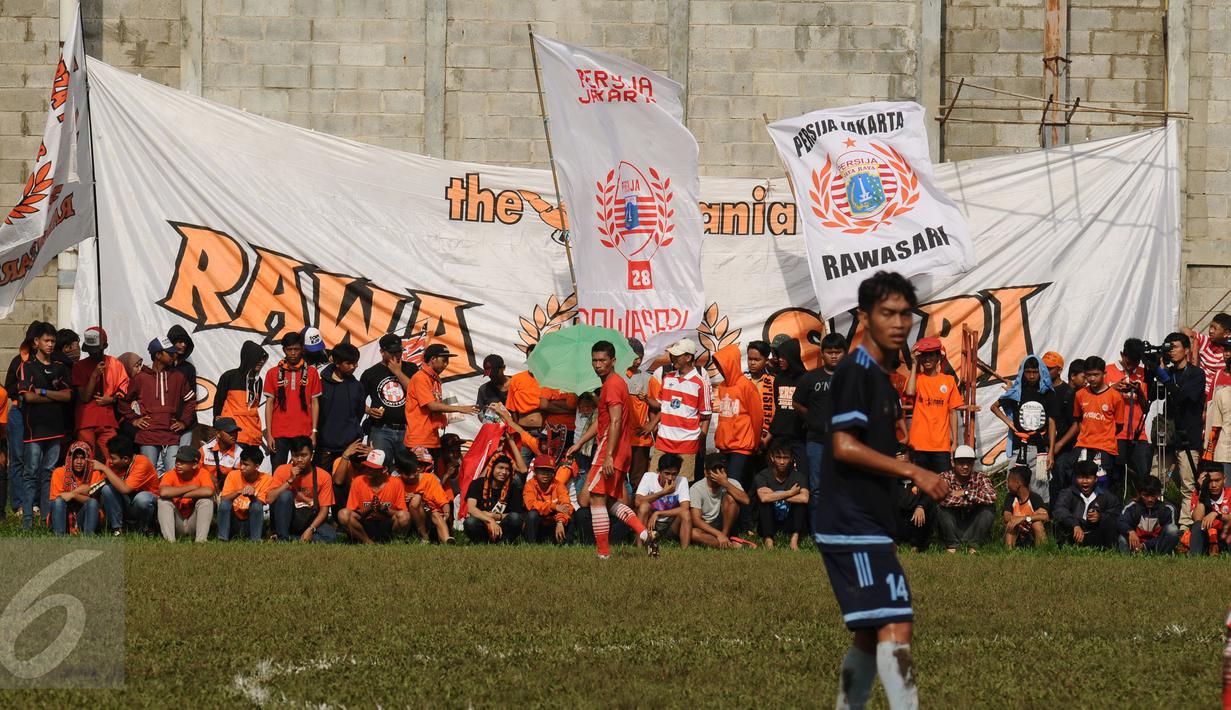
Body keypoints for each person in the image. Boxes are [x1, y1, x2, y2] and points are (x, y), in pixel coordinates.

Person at [818, 271, 950, 710]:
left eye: (905, 314)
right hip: (849, 521)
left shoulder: (880, 376)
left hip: (868, 521)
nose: (898, 323)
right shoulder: (855, 372)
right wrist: (913, 471)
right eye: (887, 313)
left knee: (869, 633)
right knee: (896, 624)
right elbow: (843, 445)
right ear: (863, 317)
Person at [567, 340, 657, 559]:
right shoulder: (612, 383)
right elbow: (603, 420)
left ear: (613, 361)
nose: (598, 365)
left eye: (602, 360)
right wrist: (579, 443)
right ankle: (645, 534)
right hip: (616, 450)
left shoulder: (613, 384)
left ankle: (603, 554)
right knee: (606, 501)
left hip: (610, 449)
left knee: (593, 499)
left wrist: (608, 456)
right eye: (594, 360)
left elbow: (615, 421)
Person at [15, 322, 73, 529]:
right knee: (30, 473)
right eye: (47, 340)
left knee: (49, 473)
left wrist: (43, 392)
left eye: (53, 341)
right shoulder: (27, 367)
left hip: (56, 429)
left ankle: (46, 519)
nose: (50, 344)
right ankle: (27, 520)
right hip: (35, 429)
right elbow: (28, 397)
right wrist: (53, 396)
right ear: (36, 342)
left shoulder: (60, 367)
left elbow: (68, 396)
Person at [794, 333, 846, 536]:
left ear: (845, 353)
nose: (834, 356)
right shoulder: (811, 377)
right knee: (817, 488)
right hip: (816, 441)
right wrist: (812, 419)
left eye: (838, 352)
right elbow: (797, 402)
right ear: (822, 354)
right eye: (829, 352)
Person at [124, 337, 194, 476]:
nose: (174, 355)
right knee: (148, 475)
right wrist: (134, 419)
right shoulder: (141, 378)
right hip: (148, 435)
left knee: (173, 475)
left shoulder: (178, 377)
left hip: (171, 435)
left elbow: (191, 400)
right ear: (158, 355)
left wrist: (184, 422)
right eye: (170, 353)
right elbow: (123, 401)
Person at [1157, 332, 1207, 527]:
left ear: (1186, 350)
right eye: (1169, 348)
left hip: (1188, 436)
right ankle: (1158, 523)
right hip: (1167, 436)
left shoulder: (1196, 374)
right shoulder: (1167, 372)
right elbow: (1155, 396)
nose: (1171, 351)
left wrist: (1164, 377)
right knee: (1156, 480)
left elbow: (1182, 397)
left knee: (1187, 484)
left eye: (1175, 347)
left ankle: (1185, 526)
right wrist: (1155, 370)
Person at [991, 354, 1055, 502]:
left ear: (1041, 372)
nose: (1031, 376)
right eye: (1028, 372)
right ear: (1023, 372)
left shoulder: (1047, 393)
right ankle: (1013, 513)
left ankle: (1040, 514)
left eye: (1035, 372)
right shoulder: (1017, 392)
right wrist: (1010, 423)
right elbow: (994, 407)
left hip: (1039, 448)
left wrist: (1051, 451)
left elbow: (1052, 423)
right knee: (1014, 484)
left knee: (1039, 485)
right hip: (1019, 446)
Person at [399, 344, 479, 461]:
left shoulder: (434, 379)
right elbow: (432, 406)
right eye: (444, 360)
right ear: (433, 359)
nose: (446, 364)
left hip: (431, 438)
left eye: (447, 361)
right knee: (421, 472)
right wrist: (460, 408)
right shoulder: (421, 378)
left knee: (434, 472)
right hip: (419, 440)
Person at [712, 343, 763, 522]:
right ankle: (730, 523)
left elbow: (757, 418)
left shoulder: (746, 386)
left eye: (722, 364)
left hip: (741, 446)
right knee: (725, 487)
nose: (720, 368)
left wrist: (755, 443)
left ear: (731, 363)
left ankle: (744, 524)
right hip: (724, 446)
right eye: (718, 365)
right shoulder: (722, 386)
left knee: (734, 486)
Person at [651, 337, 712, 482]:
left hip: (687, 444)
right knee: (654, 481)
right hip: (663, 441)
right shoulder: (667, 378)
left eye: (677, 355)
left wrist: (701, 441)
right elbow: (663, 407)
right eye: (672, 355)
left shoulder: (700, 383)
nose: (673, 358)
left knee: (682, 485)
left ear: (688, 357)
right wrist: (652, 423)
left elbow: (706, 416)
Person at [263, 331, 322, 467]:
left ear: (302, 349)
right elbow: (269, 404)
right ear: (284, 350)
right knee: (278, 472)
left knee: (302, 473)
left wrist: (314, 432)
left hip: (304, 432)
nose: (293, 353)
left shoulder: (312, 372)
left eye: (296, 349)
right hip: (279, 433)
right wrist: (269, 434)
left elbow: (315, 403)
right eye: (289, 349)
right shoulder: (272, 373)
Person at [71, 326, 129, 463]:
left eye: (96, 350)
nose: (93, 353)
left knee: (112, 459)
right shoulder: (79, 366)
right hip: (86, 420)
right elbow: (84, 397)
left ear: (105, 346)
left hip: (107, 420)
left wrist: (111, 399)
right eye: (90, 350)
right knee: (86, 459)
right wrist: (94, 376)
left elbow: (124, 389)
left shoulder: (115, 364)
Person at [905, 336, 962, 474]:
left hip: (941, 445)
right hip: (918, 444)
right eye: (924, 355)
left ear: (938, 357)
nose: (927, 359)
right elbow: (910, 392)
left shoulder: (948, 380)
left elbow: (953, 412)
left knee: (944, 483)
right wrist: (914, 364)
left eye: (931, 355)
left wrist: (955, 442)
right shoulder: (916, 378)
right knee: (920, 484)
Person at [5, 321, 44, 517]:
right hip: (19, 412)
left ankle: (34, 502)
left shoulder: (47, 362)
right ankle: (19, 504)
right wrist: (24, 391)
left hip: (38, 414)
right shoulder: (17, 361)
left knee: (36, 459)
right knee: (18, 459)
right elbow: (9, 387)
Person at [360, 333, 419, 462]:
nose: (397, 355)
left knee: (407, 467)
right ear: (382, 352)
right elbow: (357, 401)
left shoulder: (411, 368)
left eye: (399, 351)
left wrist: (398, 372)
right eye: (392, 352)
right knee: (379, 465)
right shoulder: (370, 373)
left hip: (407, 428)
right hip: (381, 429)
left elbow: (417, 393)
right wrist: (369, 410)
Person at [1069, 357, 1124, 491]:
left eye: (1096, 374)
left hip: (1104, 448)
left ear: (1104, 374)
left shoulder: (1115, 396)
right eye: (1088, 375)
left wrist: (1104, 435)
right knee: (1078, 485)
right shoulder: (1080, 394)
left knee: (1101, 487)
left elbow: (1119, 425)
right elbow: (1078, 419)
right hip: (1083, 446)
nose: (1092, 378)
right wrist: (1086, 434)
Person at [1105, 339, 1152, 495]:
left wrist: (1139, 392)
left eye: (1135, 363)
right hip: (1115, 434)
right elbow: (1098, 400)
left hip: (1139, 434)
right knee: (1116, 478)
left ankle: (1142, 507)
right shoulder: (1107, 371)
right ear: (1122, 355)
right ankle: (1116, 507)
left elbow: (1146, 408)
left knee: (1144, 477)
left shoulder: (1143, 373)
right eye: (1128, 362)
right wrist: (1113, 389)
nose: (1131, 366)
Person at [268, 436, 337, 543]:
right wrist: (289, 481)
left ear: (311, 455)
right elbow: (269, 499)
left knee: (331, 537)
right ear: (291, 455)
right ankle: (283, 538)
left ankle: (290, 538)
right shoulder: (281, 470)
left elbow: (324, 511)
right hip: (288, 519)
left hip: (310, 519)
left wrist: (311, 529)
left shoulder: (323, 476)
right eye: (295, 456)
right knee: (285, 495)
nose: (299, 460)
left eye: (304, 455)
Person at [935, 445, 997, 553]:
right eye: (961, 463)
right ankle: (952, 545)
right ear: (953, 463)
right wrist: (975, 499)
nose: (965, 466)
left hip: (972, 526)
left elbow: (992, 497)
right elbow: (942, 499)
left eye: (969, 463)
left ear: (973, 464)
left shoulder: (981, 477)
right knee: (941, 508)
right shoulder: (944, 477)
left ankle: (974, 545)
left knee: (989, 508)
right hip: (953, 526)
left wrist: (966, 493)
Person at [339, 449, 410, 543]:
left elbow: (401, 513)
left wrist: (383, 508)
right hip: (365, 523)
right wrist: (369, 508)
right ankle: (368, 543)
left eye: (372, 467)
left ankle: (394, 542)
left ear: (384, 469)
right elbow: (353, 512)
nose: (367, 469)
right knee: (343, 514)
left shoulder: (396, 483)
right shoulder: (358, 481)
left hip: (387, 523)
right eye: (367, 466)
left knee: (404, 516)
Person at [94, 436, 159, 535]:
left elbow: (125, 489)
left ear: (125, 459)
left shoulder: (142, 462)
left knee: (142, 498)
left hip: (143, 504)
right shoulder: (111, 463)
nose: (110, 461)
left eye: (113, 458)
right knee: (107, 489)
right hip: (125, 503)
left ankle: (146, 528)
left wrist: (105, 469)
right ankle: (117, 529)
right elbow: (102, 484)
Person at [317, 342, 365, 471]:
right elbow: (315, 414)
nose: (354, 366)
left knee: (346, 482)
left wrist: (353, 432)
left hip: (349, 447)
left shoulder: (357, 386)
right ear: (337, 363)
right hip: (325, 447)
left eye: (355, 363)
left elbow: (359, 413)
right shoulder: (320, 385)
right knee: (323, 481)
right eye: (348, 363)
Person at [212, 341, 268, 449]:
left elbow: (254, 408)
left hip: (254, 437)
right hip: (234, 435)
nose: (261, 361)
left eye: (263, 359)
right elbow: (218, 403)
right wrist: (218, 425)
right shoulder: (229, 376)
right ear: (249, 357)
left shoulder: (259, 381)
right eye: (258, 358)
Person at [1052, 460, 1121, 549]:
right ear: (1075, 478)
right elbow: (1059, 510)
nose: (1084, 481)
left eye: (1088, 478)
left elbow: (1116, 513)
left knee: (1110, 523)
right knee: (1058, 522)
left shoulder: (1106, 495)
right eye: (1080, 478)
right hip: (1072, 535)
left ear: (1095, 479)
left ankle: (1109, 549)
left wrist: (1100, 517)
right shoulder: (1067, 493)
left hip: (1095, 536)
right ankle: (1065, 548)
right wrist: (1074, 524)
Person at [688, 452, 751, 548]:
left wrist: (725, 483)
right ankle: (730, 545)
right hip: (707, 526)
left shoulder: (732, 483)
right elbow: (696, 520)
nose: (718, 473)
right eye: (714, 469)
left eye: (721, 469)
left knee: (731, 498)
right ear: (706, 472)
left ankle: (725, 537)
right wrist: (718, 534)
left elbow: (746, 500)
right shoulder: (696, 488)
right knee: (693, 533)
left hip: (725, 526)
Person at [755, 439, 810, 550]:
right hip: (769, 521)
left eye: (785, 458)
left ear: (791, 458)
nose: (782, 462)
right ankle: (768, 540)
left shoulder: (799, 476)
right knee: (765, 504)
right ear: (772, 458)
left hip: (790, 521)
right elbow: (764, 498)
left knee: (800, 505)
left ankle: (794, 540)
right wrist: (790, 493)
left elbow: (804, 498)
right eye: (778, 457)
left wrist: (775, 495)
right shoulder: (763, 475)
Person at [395, 447, 454, 543]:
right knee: (416, 499)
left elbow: (443, 501)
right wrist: (405, 498)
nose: (412, 476)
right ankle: (423, 537)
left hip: (430, 518)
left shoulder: (430, 479)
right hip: (408, 520)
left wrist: (447, 513)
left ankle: (447, 540)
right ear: (399, 471)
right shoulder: (396, 482)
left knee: (436, 514)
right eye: (408, 473)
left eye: (414, 471)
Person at [156, 447, 215, 543]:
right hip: (176, 522)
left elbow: (208, 491)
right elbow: (164, 492)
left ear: (195, 464)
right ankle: (169, 541)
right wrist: (192, 487)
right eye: (177, 460)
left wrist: (178, 494)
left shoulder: (202, 473)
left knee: (206, 501)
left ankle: (201, 541)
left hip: (193, 522)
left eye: (183, 461)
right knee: (163, 501)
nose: (178, 463)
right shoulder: (170, 474)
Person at [634, 453, 692, 548]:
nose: (670, 478)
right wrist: (663, 492)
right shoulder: (648, 477)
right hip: (650, 525)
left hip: (670, 525)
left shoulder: (682, 481)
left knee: (686, 513)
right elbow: (637, 501)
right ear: (659, 471)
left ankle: (685, 550)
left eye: (674, 474)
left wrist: (658, 513)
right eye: (667, 473)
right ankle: (639, 546)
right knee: (644, 506)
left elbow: (685, 508)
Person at [463, 454, 525, 543]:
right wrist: (490, 520)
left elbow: (517, 514)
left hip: (502, 525)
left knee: (515, 518)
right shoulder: (477, 483)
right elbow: (471, 509)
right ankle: (481, 542)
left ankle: (504, 542)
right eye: (500, 468)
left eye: (507, 469)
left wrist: (496, 516)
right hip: (483, 523)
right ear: (492, 468)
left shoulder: (513, 488)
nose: (504, 472)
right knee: (470, 522)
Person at [217, 446, 275, 541]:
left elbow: (260, 504)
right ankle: (222, 538)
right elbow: (223, 499)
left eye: (246, 465)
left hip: (251, 522)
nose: (242, 467)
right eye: (241, 463)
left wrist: (252, 496)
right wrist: (238, 491)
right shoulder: (233, 475)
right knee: (225, 504)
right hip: (233, 521)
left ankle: (255, 540)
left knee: (256, 505)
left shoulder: (266, 479)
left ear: (256, 466)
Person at [1048, 355, 1084, 503]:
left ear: (1059, 370)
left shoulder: (1070, 394)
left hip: (1065, 449)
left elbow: (1076, 425)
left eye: (1049, 368)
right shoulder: (1044, 390)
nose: (1087, 380)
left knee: (1062, 482)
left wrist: (1059, 444)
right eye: (1044, 368)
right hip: (1048, 447)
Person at [624, 338, 661, 487]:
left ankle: (636, 501)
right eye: (635, 357)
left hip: (640, 438)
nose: (638, 361)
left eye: (641, 357)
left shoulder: (648, 379)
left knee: (637, 479)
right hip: (620, 436)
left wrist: (652, 424)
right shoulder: (616, 377)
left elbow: (663, 405)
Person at [768, 337, 807, 472]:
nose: (780, 360)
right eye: (779, 356)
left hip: (799, 437)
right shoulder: (778, 379)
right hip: (779, 436)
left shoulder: (806, 379)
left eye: (783, 357)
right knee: (776, 474)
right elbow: (778, 407)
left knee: (803, 473)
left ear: (792, 357)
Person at [47, 441, 102, 536]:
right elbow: (57, 501)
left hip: (83, 518)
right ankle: (59, 537)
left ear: (89, 459)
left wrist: (73, 495)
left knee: (92, 503)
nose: (79, 462)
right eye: (75, 457)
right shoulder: (59, 472)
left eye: (83, 458)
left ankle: (89, 538)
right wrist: (79, 492)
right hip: (64, 518)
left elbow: (93, 502)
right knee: (59, 501)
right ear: (70, 458)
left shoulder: (95, 474)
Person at [1118, 476, 1179, 554]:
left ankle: (1161, 555)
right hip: (1136, 543)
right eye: (1146, 495)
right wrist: (1130, 531)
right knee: (1122, 537)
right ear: (1139, 494)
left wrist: (1145, 545)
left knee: (1173, 530)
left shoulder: (1168, 509)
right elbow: (1121, 521)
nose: (1150, 499)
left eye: (1153, 495)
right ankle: (1128, 558)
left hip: (1157, 545)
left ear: (1159, 494)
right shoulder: (1132, 506)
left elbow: (1169, 534)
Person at [893, 445, 935, 552]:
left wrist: (921, 506)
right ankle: (894, 542)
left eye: (906, 464)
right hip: (898, 525)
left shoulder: (922, 480)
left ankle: (916, 545)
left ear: (913, 463)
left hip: (916, 526)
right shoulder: (890, 481)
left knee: (927, 508)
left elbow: (929, 496)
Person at [523, 453, 573, 544]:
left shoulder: (559, 485)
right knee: (532, 514)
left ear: (553, 473)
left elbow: (566, 505)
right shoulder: (529, 485)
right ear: (535, 472)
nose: (545, 474)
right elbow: (531, 504)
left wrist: (560, 521)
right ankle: (531, 544)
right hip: (538, 523)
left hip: (554, 522)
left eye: (549, 471)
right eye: (542, 470)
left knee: (570, 514)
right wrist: (554, 506)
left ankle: (566, 544)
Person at [1181, 312, 1231, 401]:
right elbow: (1184, 329)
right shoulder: (1205, 341)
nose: (1211, 331)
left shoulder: (1228, 348)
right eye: (1210, 327)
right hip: (1202, 393)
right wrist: (1191, 340)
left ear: (1226, 333)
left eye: (1215, 328)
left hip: (1221, 394)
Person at [166, 325, 199, 448]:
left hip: (186, 424)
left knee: (183, 455)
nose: (184, 345)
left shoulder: (189, 369)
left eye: (186, 343)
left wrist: (184, 422)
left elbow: (191, 398)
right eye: (180, 342)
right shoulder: (162, 366)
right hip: (163, 423)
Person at [1002, 467, 1048, 548]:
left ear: (1017, 483)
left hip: (1031, 534)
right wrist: (1016, 521)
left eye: (1009, 481)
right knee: (1011, 523)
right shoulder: (1010, 497)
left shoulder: (1035, 498)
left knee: (1037, 524)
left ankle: (1042, 550)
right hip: (1016, 533)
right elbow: (1006, 516)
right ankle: (1008, 551)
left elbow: (1045, 516)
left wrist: (1024, 518)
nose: (1007, 484)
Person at [1189, 467, 1231, 556]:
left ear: (1224, 479)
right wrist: (1202, 491)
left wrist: (1217, 514)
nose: (1214, 485)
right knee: (1197, 525)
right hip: (1206, 535)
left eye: (1217, 480)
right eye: (1210, 481)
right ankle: (1194, 558)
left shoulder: (1230, 493)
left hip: (1225, 534)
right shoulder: (1197, 494)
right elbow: (1197, 519)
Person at [746, 340, 776, 458]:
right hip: (743, 439)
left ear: (766, 360)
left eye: (757, 360)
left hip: (766, 439)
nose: (752, 363)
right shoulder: (741, 381)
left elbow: (777, 413)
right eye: (750, 359)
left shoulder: (773, 382)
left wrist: (766, 439)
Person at [199, 417, 243, 492]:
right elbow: (195, 469)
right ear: (218, 434)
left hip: (229, 491)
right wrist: (208, 476)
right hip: (206, 488)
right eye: (229, 432)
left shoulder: (240, 453)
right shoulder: (204, 450)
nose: (234, 435)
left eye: (235, 432)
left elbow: (239, 479)